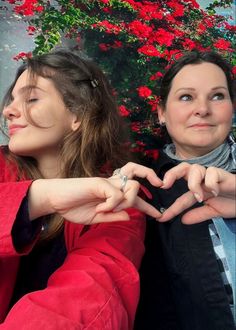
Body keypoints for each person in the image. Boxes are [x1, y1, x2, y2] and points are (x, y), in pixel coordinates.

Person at [0, 49, 163, 329]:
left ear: (78, 114)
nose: (8, 110)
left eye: (31, 98)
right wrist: (39, 198)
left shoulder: (118, 198)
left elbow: (94, 294)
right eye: (11, 100)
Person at [129, 51, 236, 330]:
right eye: (186, 97)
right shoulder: (144, 193)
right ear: (162, 113)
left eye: (217, 96)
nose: (202, 109)